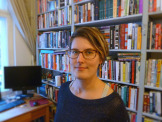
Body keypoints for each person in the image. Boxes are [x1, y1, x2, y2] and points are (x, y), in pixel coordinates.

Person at [54, 27, 130, 122]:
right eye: (75, 52)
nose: (80, 60)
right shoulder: (63, 90)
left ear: (101, 58)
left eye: (89, 52)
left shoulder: (113, 105)